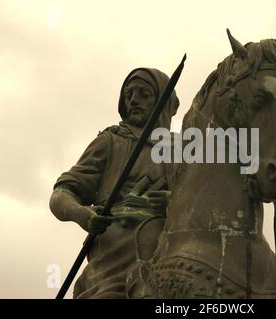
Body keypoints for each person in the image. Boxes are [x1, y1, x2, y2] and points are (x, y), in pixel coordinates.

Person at [49, 68, 179, 299]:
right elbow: (61, 194)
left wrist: (177, 203)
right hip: (117, 250)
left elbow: (210, 203)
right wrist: (82, 214)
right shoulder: (110, 141)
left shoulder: (185, 150)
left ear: (164, 102)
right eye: (129, 95)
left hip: (174, 247)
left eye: (144, 94)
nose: (134, 100)